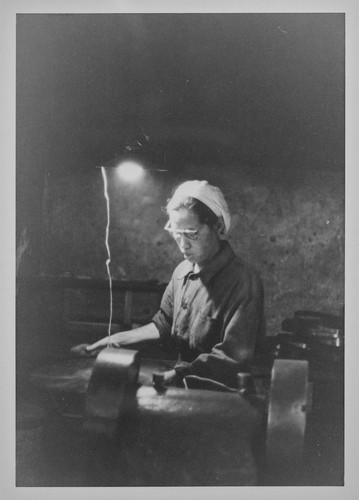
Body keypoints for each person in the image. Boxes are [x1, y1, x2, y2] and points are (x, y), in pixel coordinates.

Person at [72, 180, 265, 388]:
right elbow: (163, 325)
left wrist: (178, 374)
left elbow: (232, 356)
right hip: (183, 384)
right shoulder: (182, 271)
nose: (183, 245)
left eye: (192, 234)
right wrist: (112, 341)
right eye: (176, 233)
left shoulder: (243, 281)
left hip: (222, 395)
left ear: (217, 227)